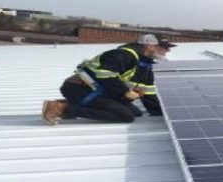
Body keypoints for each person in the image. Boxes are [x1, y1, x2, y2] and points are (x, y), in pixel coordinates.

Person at [41, 34, 175, 125]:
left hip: (98, 91)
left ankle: (71, 104)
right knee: (126, 116)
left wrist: (159, 112)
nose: (167, 51)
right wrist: (125, 92)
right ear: (150, 46)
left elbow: (148, 91)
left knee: (136, 112)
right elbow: (105, 75)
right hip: (79, 88)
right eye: (164, 47)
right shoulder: (123, 55)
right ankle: (61, 108)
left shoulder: (144, 64)